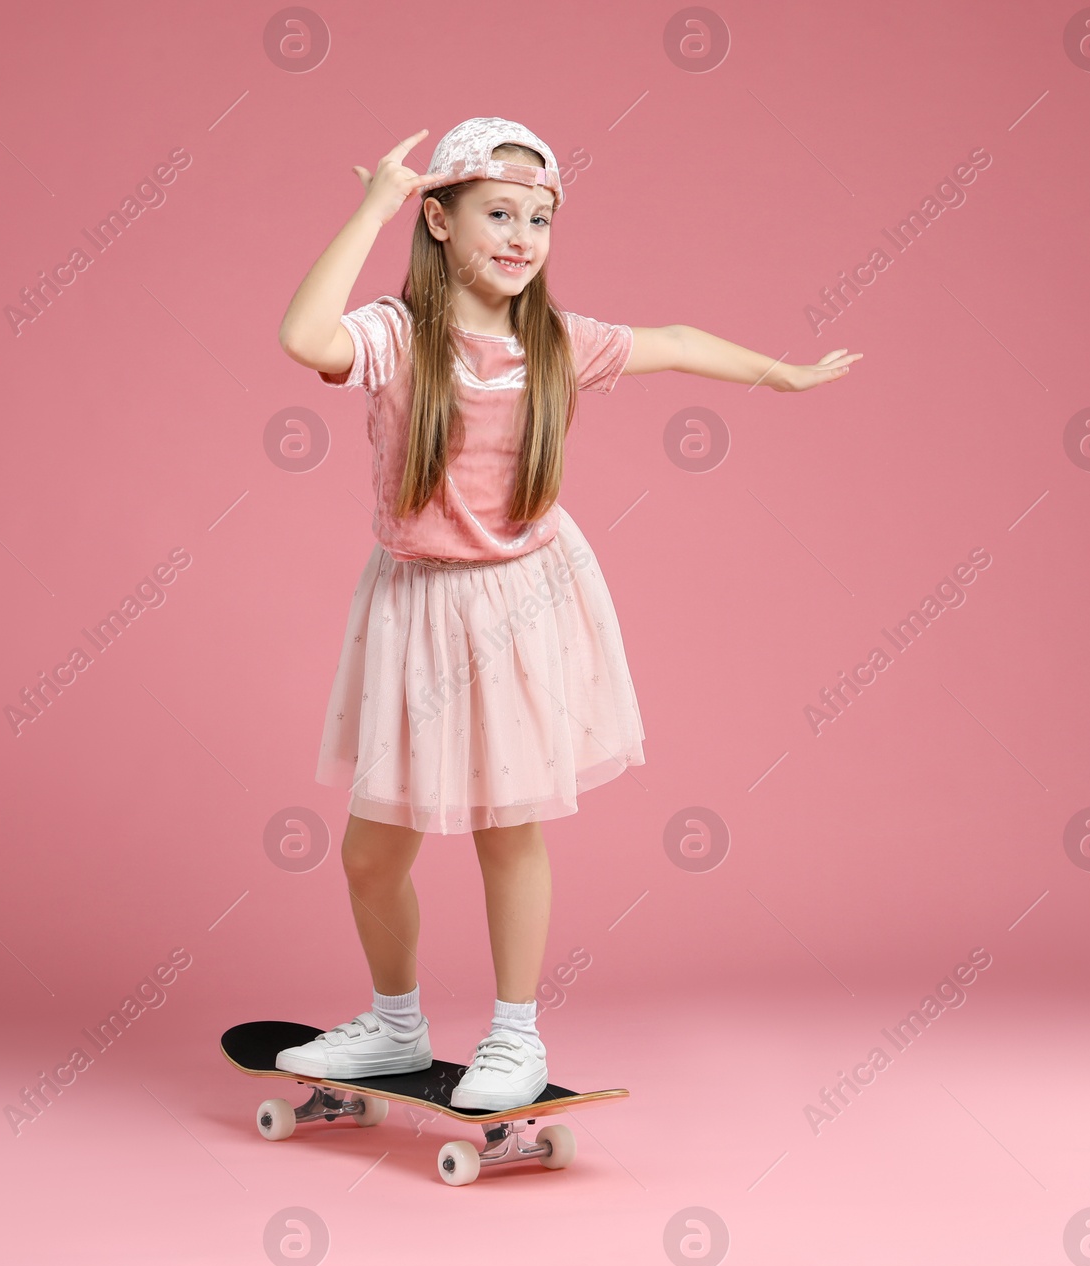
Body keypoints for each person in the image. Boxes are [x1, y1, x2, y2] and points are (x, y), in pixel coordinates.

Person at [274, 117, 861, 1109]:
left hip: (515, 600)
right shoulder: (397, 334)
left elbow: (673, 341)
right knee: (372, 850)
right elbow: (302, 337)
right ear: (439, 219)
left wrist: (785, 374)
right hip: (414, 599)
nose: (520, 236)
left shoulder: (553, 342)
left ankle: (515, 1035)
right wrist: (372, 202)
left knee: (507, 825)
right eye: (497, 213)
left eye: (539, 219)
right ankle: (395, 1023)